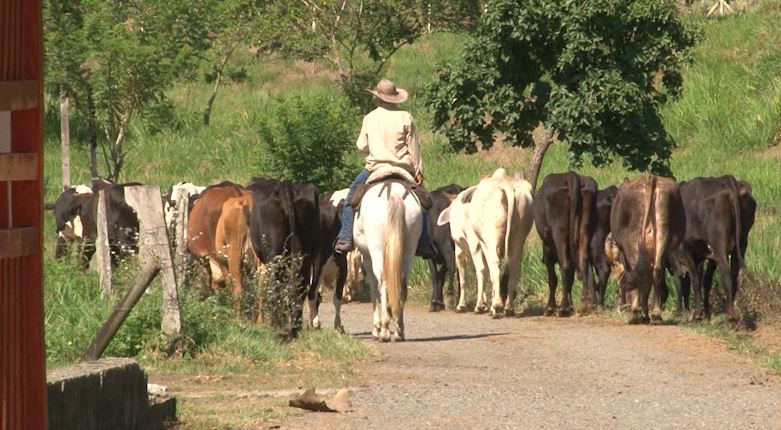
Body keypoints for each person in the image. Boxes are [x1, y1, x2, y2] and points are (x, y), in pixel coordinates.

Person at [334, 79, 437, 259]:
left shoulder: (370, 117)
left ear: (378, 98)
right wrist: (418, 170)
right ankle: (424, 242)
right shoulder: (405, 117)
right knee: (424, 201)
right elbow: (413, 147)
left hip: (375, 169)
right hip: (402, 169)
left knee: (351, 197)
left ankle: (345, 238)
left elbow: (361, 145)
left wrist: (374, 146)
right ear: (395, 98)